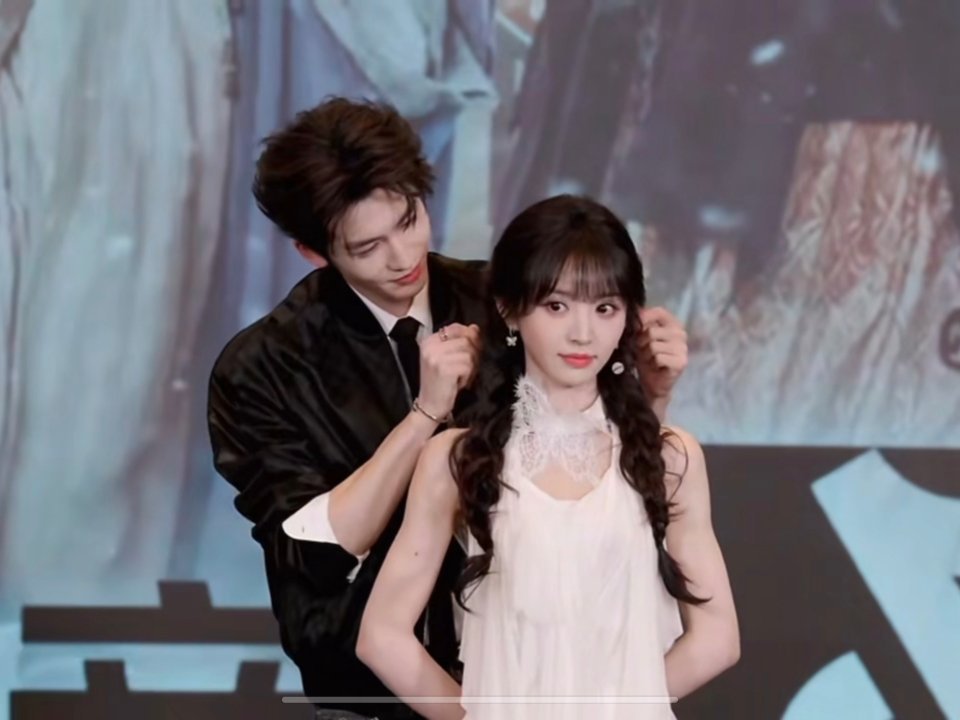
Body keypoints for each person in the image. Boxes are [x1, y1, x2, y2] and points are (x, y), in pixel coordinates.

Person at [207, 98, 689, 720]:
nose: (402, 256)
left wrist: (652, 393)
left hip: (527, 680)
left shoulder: (506, 301)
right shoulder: (263, 367)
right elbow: (316, 553)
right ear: (313, 251)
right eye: (368, 246)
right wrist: (424, 416)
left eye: (409, 220)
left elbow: (596, 474)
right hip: (370, 696)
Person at [357, 195, 738, 719]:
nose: (583, 332)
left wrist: (616, 704)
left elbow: (718, 637)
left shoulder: (671, 457)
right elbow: (382, 636)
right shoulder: (458, 458)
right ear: (508, 307)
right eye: (557, 306)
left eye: (605, 308)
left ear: (629, 316)